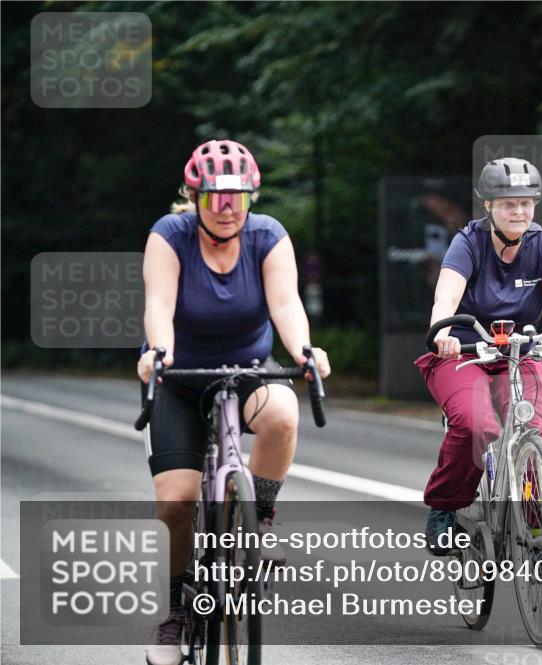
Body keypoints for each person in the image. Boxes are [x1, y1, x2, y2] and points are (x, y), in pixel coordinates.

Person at [138, 139, 331, 665]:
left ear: (252, 196)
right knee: (176, 503)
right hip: (180, 376)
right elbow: (159, 302)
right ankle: (174, 616)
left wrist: (304, 350)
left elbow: (286, 303)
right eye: (215, 198)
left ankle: (259, 515)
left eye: (238, 197)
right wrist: (159, 351)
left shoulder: (268, 236)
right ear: (195, 197)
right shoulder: (169, 236)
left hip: (246, 369)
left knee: (283, 414)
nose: (227, 209)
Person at [415, 157, 542, 558]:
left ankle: (538, 525)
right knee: (477, 425)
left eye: (526, 203)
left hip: (520, 352)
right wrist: (443, 332)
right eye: (508, 203)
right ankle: (444, 506)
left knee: (540, 430)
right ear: (489, 206)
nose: (519, 212)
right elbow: (446, 295)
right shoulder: (468, 242)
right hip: (462, 352)